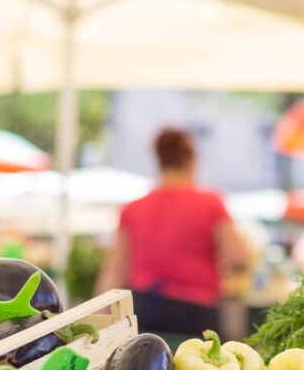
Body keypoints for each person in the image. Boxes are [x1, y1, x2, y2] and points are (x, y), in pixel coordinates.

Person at [94, 127, 249, 337]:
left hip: (144, 307)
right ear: (192, 161)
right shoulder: (210, 203)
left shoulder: (133, 208)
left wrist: (99, 320)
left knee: (144, 366)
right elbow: (239, 257)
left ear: (159, 162)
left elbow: (115, 270)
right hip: (195, 311)